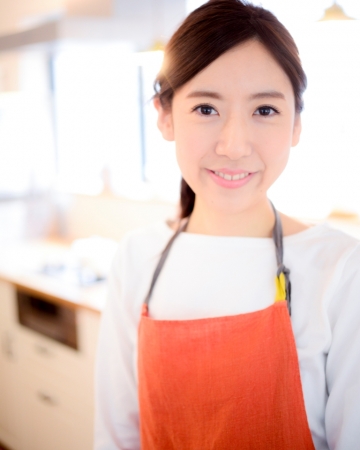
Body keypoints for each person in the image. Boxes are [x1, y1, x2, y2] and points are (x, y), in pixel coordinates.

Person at [94, 1, 360, 449]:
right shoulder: (137, 257)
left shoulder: (341, 269)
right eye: (205, 109)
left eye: (265, 111)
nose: (234, 145)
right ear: (165, 115)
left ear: (296, 123)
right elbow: (116, 437)